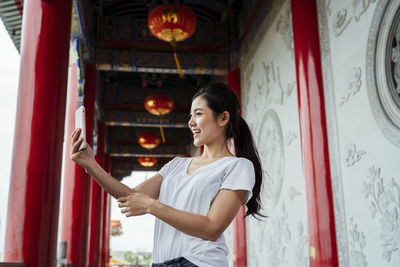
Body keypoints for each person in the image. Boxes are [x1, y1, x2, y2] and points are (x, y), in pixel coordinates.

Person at [70, 82, 264, 267]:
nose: (191, 122)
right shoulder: (177, 164)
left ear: (223, 118)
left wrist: (152, 206)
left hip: (199, 262)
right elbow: (130, 197)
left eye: (198, 114)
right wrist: (90, 164)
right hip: (160, 261)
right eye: (190, 115)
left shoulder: (238, 166)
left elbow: (212, 228)